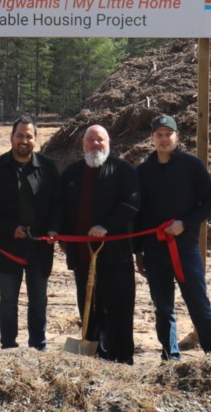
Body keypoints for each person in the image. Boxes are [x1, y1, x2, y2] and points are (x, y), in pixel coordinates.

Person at [135, 114, 211, 361]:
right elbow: (138, 215)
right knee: (163, 308)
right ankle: (170, 356)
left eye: (168, 134)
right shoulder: (142, 172)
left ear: (177, 136)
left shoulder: (192, 166)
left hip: (186, 249)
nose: (164, 139)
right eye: (159, 135)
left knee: (198, 303)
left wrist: (184, 224)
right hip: (154, 252)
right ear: (152, 138)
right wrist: (138, 251)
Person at [60, 124, 140, 364]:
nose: (95, 144)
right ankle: (91, 356)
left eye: (100, 140)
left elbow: (132, 203)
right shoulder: (72, 173)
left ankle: (121, 358)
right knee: (88, 306)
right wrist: (63, 237)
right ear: (83, 144)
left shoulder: (123, 170)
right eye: (91, 140)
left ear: (109, 143)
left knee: (118, 307)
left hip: (116, 255)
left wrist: (106, 226)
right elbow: (61, 208)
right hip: (84, 256)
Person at [0, 116, 61, 350]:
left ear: (36, 139)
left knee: (38, 300)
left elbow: (58, 202)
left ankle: (38, 345)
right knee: (8, 300)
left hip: (40, 247)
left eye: (29, 136)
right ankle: (8, 345)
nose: (24, 140)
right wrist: (9, 227)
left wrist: (54, 228)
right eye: (20, 135)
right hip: (8, 246)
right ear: (11, 137)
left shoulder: (48, 166)